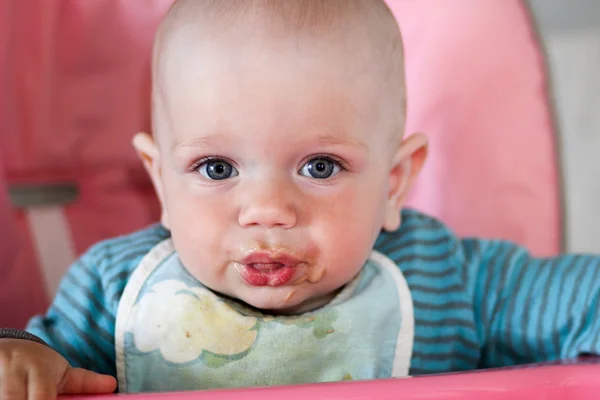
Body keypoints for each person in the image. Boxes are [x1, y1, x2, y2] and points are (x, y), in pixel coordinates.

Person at [1, 0, 599, 398]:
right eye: (216, 167)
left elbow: (581, 300)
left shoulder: (445, 280)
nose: (267, 209)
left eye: (320, 166)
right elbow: (39, 355)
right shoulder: (116, 289)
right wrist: (24, 359)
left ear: (393, 183)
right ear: (161, 182)